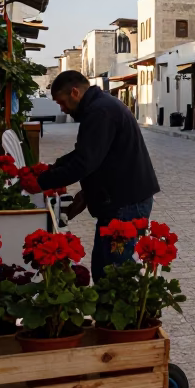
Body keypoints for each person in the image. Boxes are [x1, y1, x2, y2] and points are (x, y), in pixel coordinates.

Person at [39, 70, 161, 280]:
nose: (63, 109)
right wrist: (81, 187)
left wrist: (40, 181)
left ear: (75, 92)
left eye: (62, 102)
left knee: (114, 275)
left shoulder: (100, 111)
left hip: (125, 204)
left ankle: (132, 312)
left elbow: (84, 162)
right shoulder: (100, 106)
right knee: (105, 270)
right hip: (120, 201)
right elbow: (92, 154)